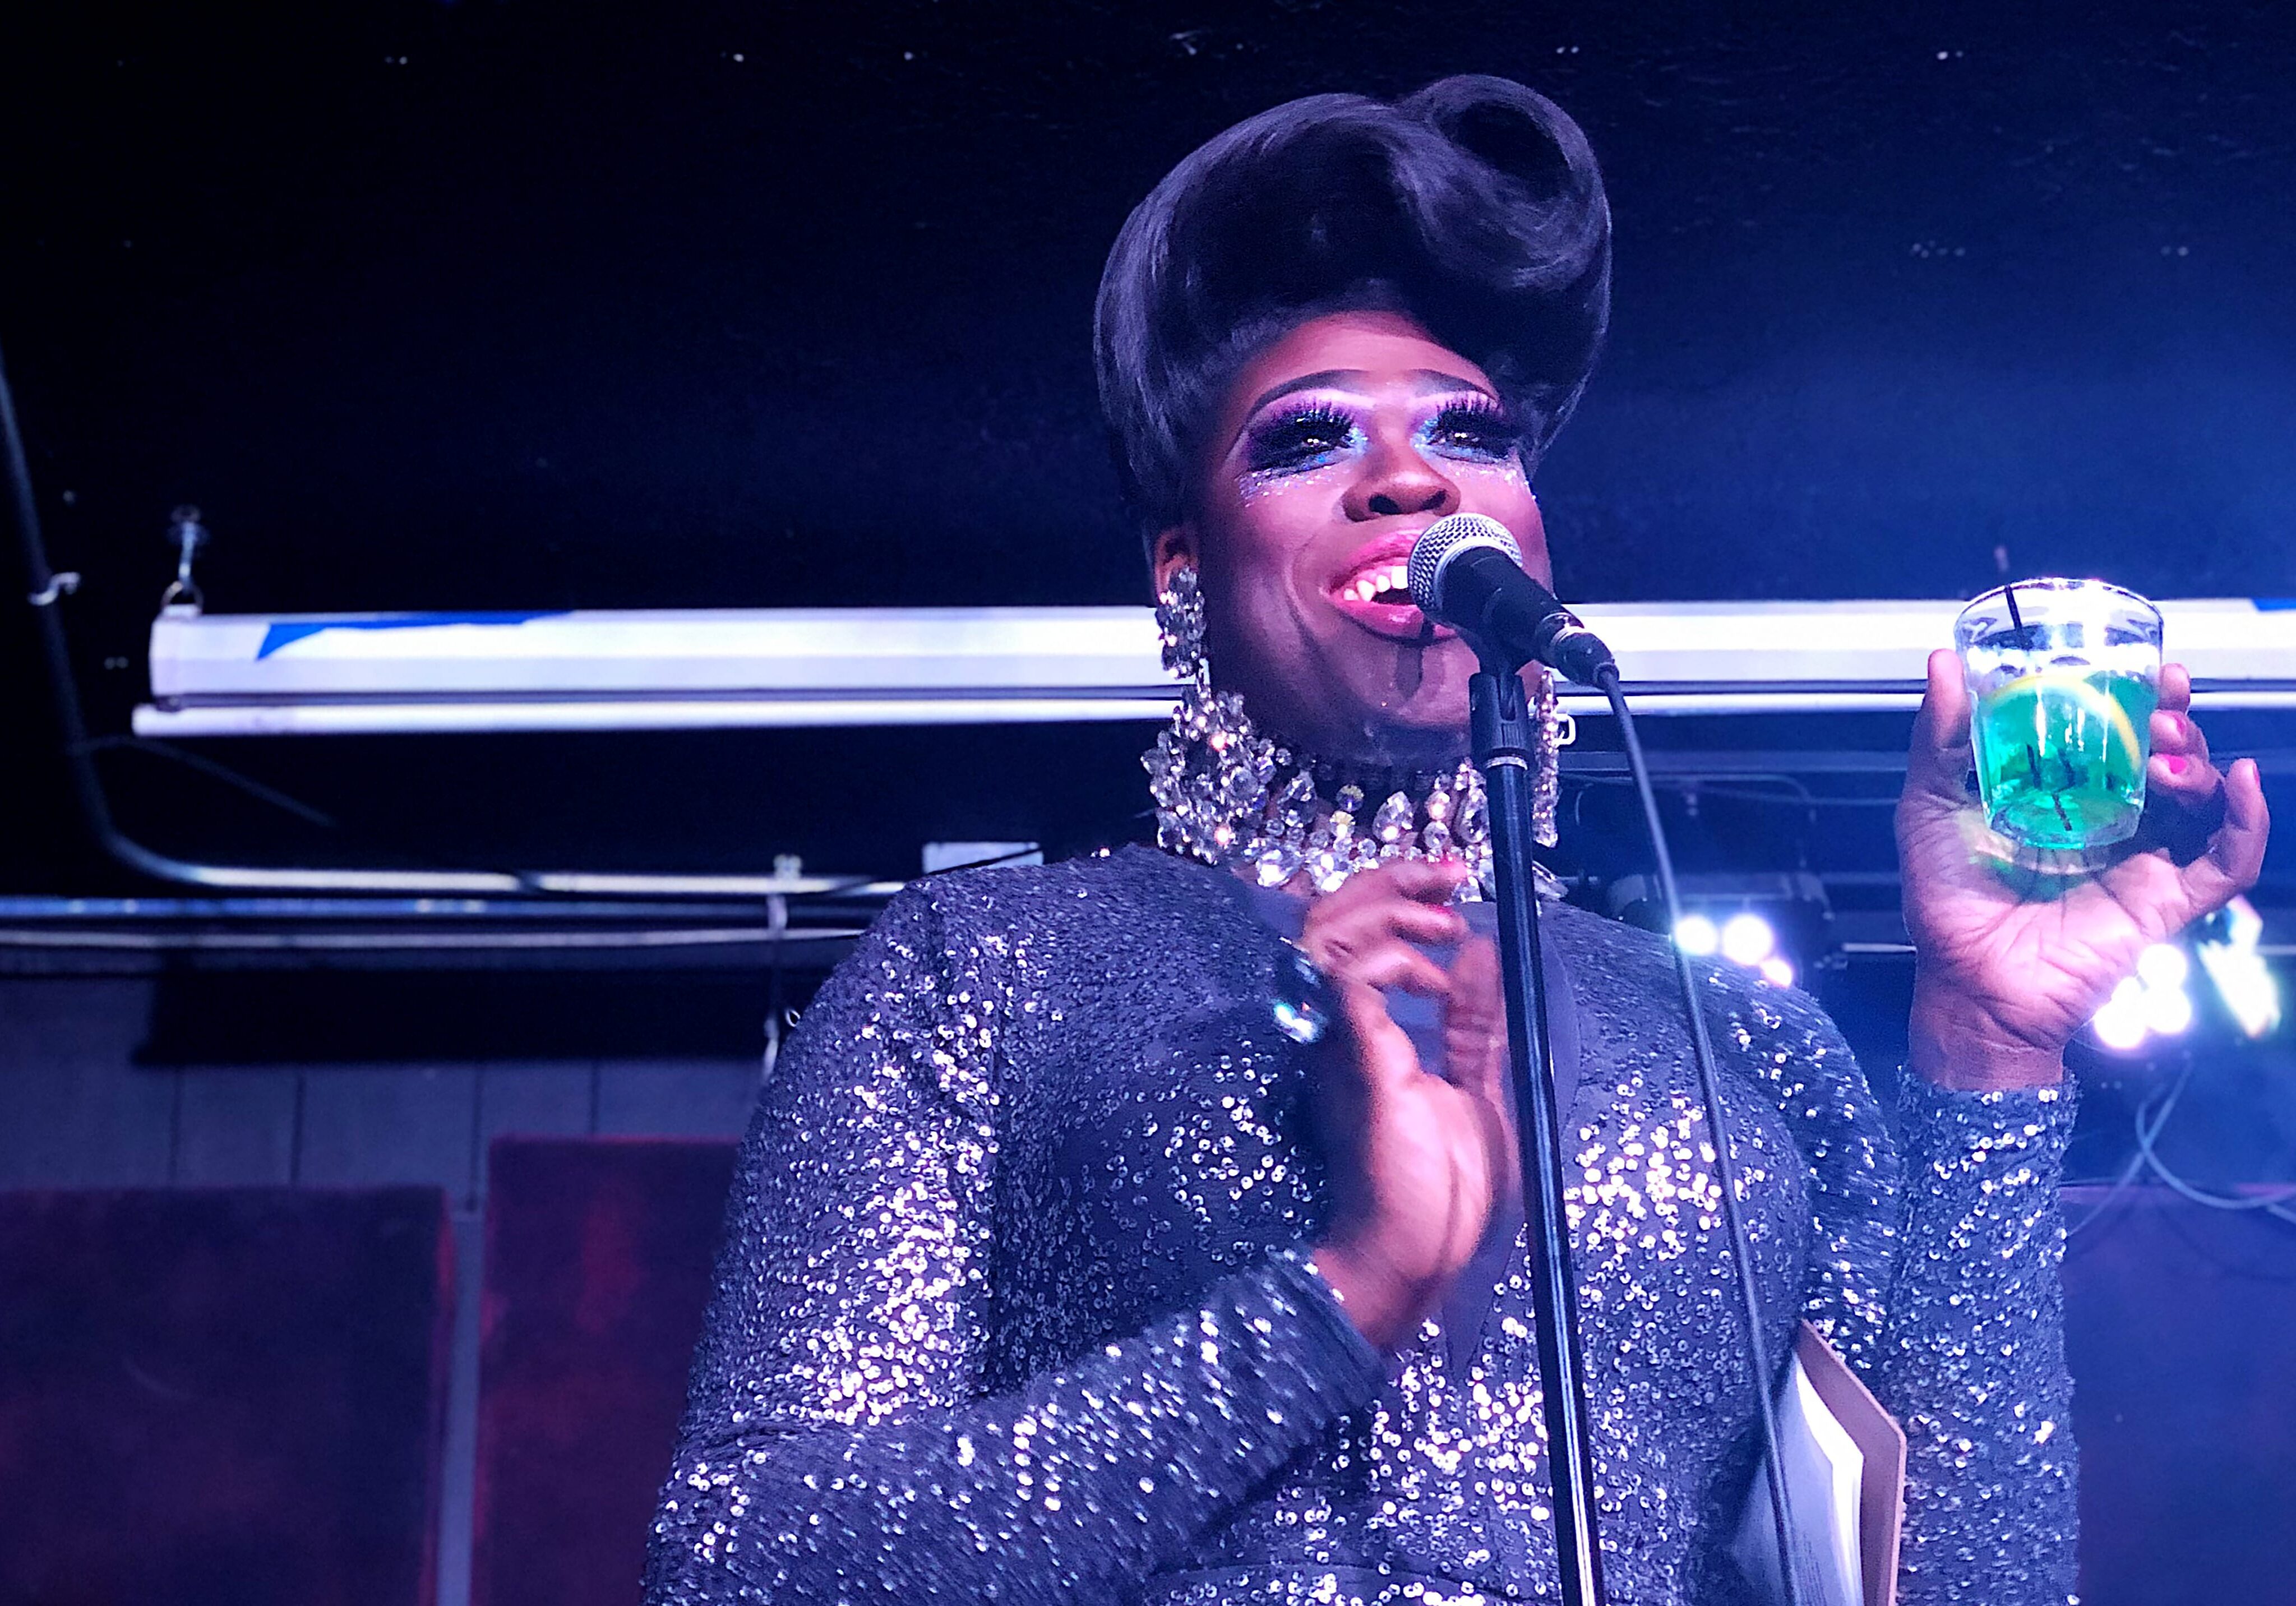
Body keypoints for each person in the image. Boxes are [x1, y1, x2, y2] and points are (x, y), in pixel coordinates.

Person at [645, 77, 2268, 1606]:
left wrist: (1987, 1048)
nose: (1409, 477)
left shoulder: (1737, 1050)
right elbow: (740, 1559)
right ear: (1179, 567)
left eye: (1470, 435)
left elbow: (1963, 1589)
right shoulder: (987, 975)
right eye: (1307, 438)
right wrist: (1342, 1299)